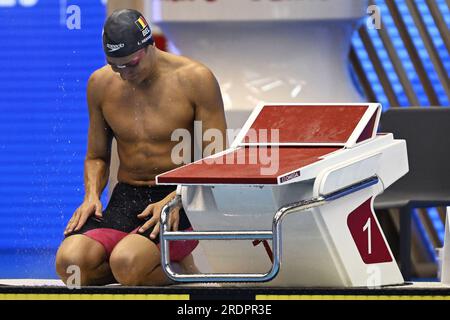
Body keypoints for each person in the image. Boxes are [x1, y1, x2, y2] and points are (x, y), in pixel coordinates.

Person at [55, 9, 227, 286]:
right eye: (115, 66)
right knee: (71, 265)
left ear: (149, 47)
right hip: (125, 198)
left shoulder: (196, 79)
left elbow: (215, 158)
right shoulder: (100, 84)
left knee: (127, 261)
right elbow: (97, 155)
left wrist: (177, 197)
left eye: (131, 64)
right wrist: (91, 196)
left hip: (181, 198)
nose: (124, 74)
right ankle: (150, 270)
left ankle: (178, 270)